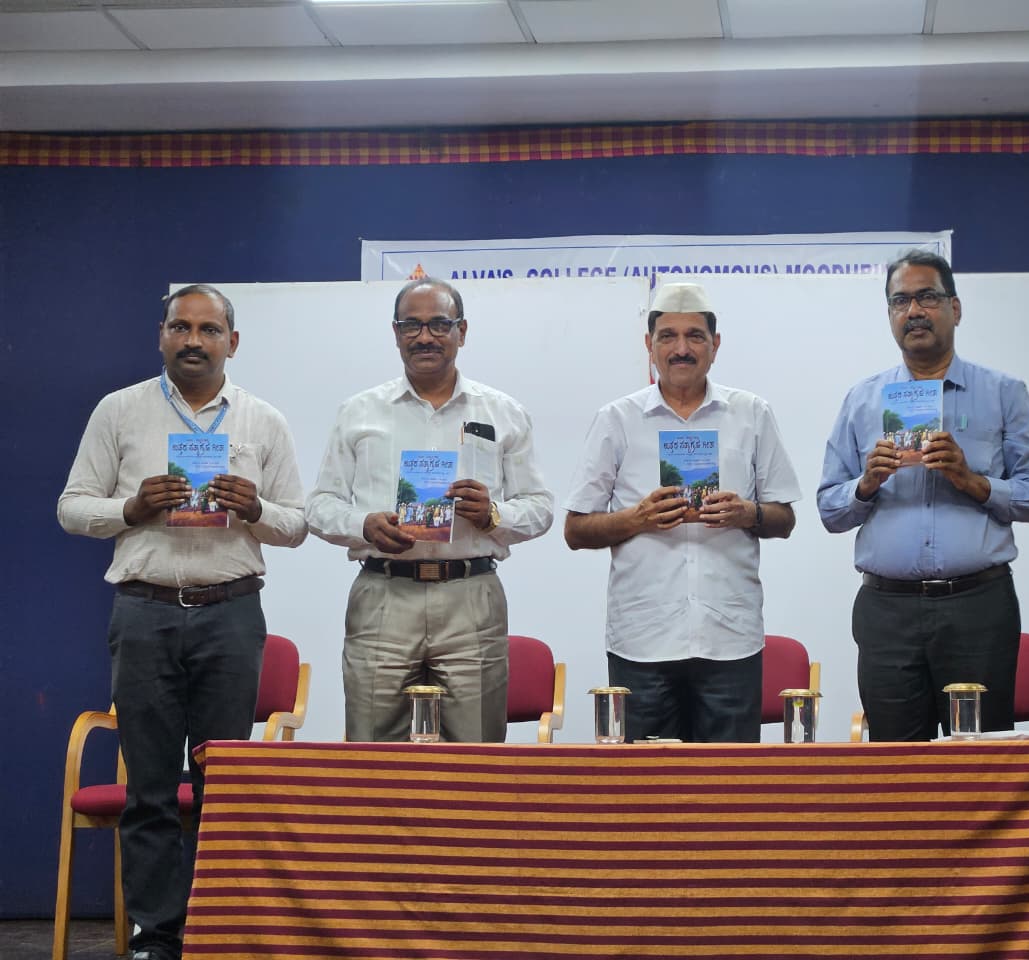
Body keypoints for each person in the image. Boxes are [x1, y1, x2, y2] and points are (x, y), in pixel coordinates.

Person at [57, 284, 307, 960]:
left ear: (233, 342)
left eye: (208, 329)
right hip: (146, 611)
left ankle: (217, 927)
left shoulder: (263, 420)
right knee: (150, 787)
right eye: (181, 327)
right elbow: (72, 507)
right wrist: (130, 509)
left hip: (231, 614)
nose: (194, 340)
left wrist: (257, 509)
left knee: (221, 785)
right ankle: (156, 936)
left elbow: (297, 524)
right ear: (162, 335)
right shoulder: (119, 411)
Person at [817, 250, 1029, 741]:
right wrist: (865, 485)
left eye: (927, 297)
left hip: (978, 607)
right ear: (889, 314)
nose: (914, 311)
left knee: (978, 760)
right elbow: (829, 508)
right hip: (887, 611)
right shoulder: (862, 399)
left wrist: (973, 482)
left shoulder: (1003, 392)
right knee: (897, 763)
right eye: (900, 301)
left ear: (955, 308)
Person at [306, 277, 552, 743]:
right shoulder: (359, 411)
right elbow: (319, 507)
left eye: (439, 324)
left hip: (471, 594)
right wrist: (364, 525)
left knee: (476, 749)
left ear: (462, 331)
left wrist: (493, 515)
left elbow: (540, 507)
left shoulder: (502, 411)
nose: (425, 337)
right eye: (411, 325)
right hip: (383, 592)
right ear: (395, 333)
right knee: (373, 745)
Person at [563, 281, 801, 742]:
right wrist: (637, 519)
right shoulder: (617, 419)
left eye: (695, 336)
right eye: (668, 336)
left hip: (729, 637)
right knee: (646, 782)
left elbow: (784, 519)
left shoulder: (751, 413)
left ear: (716, 344)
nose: (681, 349)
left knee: (728, 780)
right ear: (649, 345)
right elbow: (575, 530)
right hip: (642, 640)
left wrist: (746, 513)